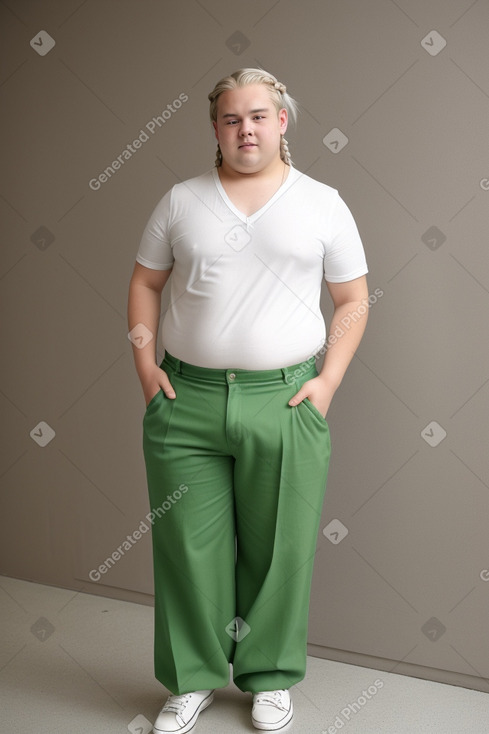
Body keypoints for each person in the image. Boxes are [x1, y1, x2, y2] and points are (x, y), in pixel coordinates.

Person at [127, 68, 369, 733]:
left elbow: (352, 299)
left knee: (281, 548)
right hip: (188, 403)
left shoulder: (322, 202)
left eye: (258, 116)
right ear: (215, 128)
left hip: (286, 403)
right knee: (186, 548)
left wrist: (327, 383)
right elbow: (145, 282)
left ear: (281, 121)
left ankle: (268, 678)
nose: (246, 129)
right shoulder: (181, 201)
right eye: (231, 119)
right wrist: (146, 367)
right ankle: (192, 678)